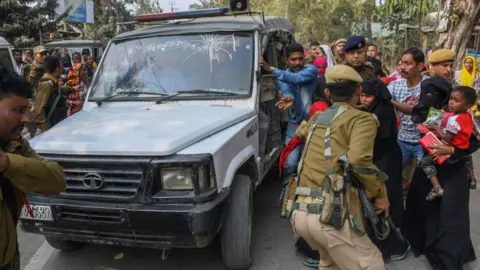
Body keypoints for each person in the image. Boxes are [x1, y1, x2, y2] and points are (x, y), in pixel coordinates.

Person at [290, 65, 388, 269]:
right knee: (371, 264)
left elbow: (300, 132)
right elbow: (359, 162)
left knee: (330, 263)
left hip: (301, 215)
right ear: (359, 91)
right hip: (332, 217)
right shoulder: (362, 119)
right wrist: (380, 195)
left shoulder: (317, 119)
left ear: (327, 93)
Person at [405, 77, 479, 269]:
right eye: (426, 93)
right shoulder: (430, 111)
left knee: (451, 216)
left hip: (452, 171)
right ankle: (422, 244)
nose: (429, 98)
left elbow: (472, 143)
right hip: (429, 170)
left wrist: (452, 150)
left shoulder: (458, 117)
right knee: (423, 208)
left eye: (434, 94)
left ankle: (448, 257)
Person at [0, 67, 65, 270]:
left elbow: (56, 180)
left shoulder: (15, 146)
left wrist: (9, 163)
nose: (26, 119)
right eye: (18, 111)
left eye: (27, 110)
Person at [359, 77, 410, 260]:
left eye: (367, 96)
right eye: (361, 95)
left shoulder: (381, 113)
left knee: (387, 200)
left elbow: (379, 140)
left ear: (377, 96)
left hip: (385, 162)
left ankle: (394, 245)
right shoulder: (374, 108)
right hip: (381, 160)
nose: (363, 99)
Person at [260, 43, 317, 179]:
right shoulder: (283, 76)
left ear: (304, 58)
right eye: (293, 60)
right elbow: (287, 91)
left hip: (312, 125)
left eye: (300, 59)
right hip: (294, 126)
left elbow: (296, 79)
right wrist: (288, 98)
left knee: (309, 165)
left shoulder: (311, 70)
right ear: (287, 60)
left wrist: (270, 69)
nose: (297, 62)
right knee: (290, 164)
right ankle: (288, 194)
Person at [419, 86, 476, 200]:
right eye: (451, 99)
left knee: (425, 162)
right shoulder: (467, 116)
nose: (451, 103)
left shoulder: (454, 119)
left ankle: (437, 187)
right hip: (463, 148)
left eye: (456, 100)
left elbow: (447, 138)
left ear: (467, 106)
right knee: (467, 157)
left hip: (452, 151)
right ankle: (473, 178)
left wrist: (436, 128)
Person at [388, 47, 428, 168]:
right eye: (401, 63)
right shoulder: (395, 86)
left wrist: (391, 101)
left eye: (408, 63)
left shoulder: (429, 85)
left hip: (424, 142)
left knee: (425, 176)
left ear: (420, 66)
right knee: (395, 173)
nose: (402, 67)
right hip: (402, 140)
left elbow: (418, 111)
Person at [33, 56, 78, 134]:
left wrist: (72, 89)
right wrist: (46, 131)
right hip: (52, 129)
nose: (62, 69)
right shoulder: (46, 85)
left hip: (57, 124)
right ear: (57, 68)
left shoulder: (52, 83)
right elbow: (39, 110)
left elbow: (59, 90)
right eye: (61, 67)